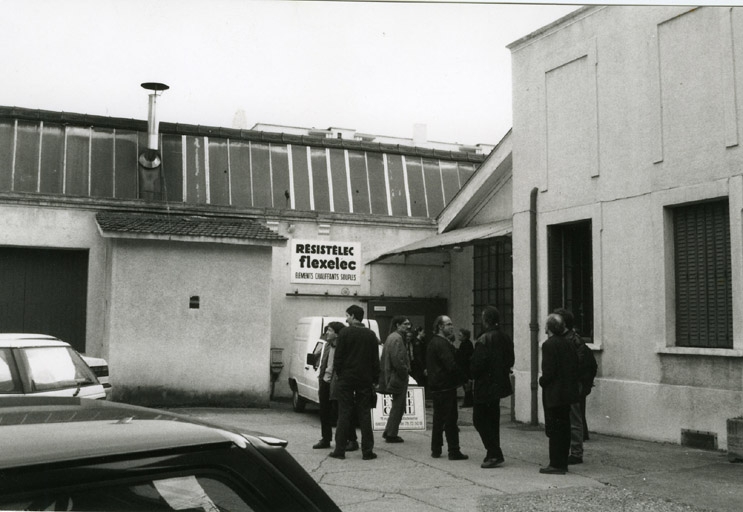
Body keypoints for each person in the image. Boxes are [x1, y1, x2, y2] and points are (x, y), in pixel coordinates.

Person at [330, 305, 380, 461]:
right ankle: (367, 451)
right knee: (364, 414)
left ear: (352, 316)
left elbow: (338, 358)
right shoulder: (371, 335)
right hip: (364, 379)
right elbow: (374, 360)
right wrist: (375, 379)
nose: (346, 319)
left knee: (344, 413)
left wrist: (340, 374)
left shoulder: (344, 333)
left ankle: (339, 450)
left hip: (346, 379)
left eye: (347, 316)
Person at [470, 306, 514, 469]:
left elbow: (477, 365)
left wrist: (472, 373)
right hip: (498, 384)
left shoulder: (483, 340)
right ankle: (493, 451)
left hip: (485, 385)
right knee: (493, 419)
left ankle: (494, 451)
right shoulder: (505, 338)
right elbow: (510, 360)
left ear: (486, 321)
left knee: (479, 419)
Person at [554, 307, 598, 465]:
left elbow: (576, 365)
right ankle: (573, 450)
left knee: (574, 420)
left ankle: (576, 452)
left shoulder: (572, 341)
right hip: (570, 385)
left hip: (572, 386)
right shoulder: (571, 339)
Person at [538, 313, 580, 475]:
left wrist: (542, 381)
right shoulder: (568, 343)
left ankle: (556, 463)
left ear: (548, 328)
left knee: (555, 429)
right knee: (564, 429)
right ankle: (561, 462)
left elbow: (549, 371)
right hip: (567, 393)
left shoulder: (549, 345)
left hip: (554, 393)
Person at [426, 315, 468, 461]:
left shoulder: (435, 342)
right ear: (440, 327)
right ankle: (454, 450)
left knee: (438, 419)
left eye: (451, 324)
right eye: (448, 324)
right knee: (450, 419)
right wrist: (463, 379)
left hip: (438, 386)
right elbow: (451, 365)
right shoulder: (441, 344)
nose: (452, 327)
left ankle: (436, 448)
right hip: (445, 386)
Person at [313, 321, 359, 451]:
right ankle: (326, 438)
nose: (327, 333)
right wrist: (321, 378)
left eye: (330, 330)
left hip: (338, 383)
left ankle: (351, 439)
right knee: (324, 411)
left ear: (337, 334)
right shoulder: (327, 345)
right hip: (325, 381)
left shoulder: (344, 347)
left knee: (342, 412)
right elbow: (324, 363)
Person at [379, 316, 411, 443]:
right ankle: (391, 433)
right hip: (397, 377)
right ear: (398, 325)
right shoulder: (397, 338)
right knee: (399, 406)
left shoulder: (392, 337)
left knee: (397, 406)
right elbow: (397, 360)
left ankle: (389, 431)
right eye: (405, 324)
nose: (408, 326)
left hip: (392, 375)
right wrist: (405, 372)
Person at [455, 328, 474, 408]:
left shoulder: (466, 344)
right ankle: (469, 401)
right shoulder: (465, 344)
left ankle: (468, 402)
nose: (459, 336)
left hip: (466, 368)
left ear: (465, 336)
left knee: (467, 386)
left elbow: (464, 357)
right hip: (466, 368)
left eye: (460, 335)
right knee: (466, 386)